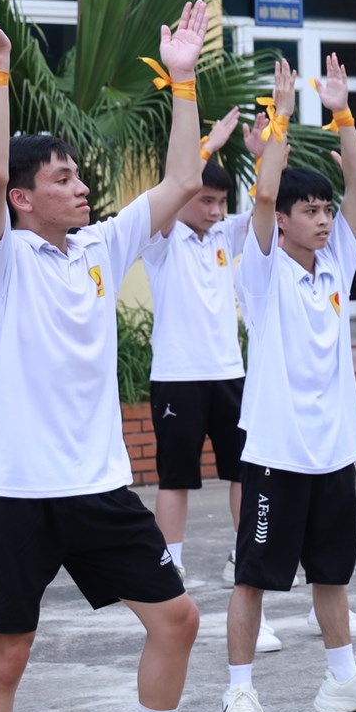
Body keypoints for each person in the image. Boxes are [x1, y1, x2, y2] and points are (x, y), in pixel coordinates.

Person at [0, 0, 217, 712]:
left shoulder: (101, 246)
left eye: (79, 176)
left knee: (176, 619)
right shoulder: (1, 256)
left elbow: (181, 185)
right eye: (61, 178)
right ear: (26, 199)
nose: (80, 184)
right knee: (8, 655)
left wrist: (183, 82)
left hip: (98, 485)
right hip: (16, 488)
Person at [219, 55, 356, 712]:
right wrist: (278, 113)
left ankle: (341, 678)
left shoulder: (336, 264)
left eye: (327, 209)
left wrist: (343, 111)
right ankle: (239, 694)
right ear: (288, 219)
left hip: (332, 448)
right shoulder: (262, 267)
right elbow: (265, 196)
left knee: (332, 574)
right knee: (254, 577)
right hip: (275, 449)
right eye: (313, 210)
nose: (326, 218)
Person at [140, 138, 252, 594]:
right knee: (176, 476)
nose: (215, 210)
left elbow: (267, 206)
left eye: (222, 201)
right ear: (186, 195)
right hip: (177, 376)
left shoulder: (226, 234)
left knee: (244, 470)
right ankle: (173, 565)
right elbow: (173, 188)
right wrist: (205, 148)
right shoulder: (161, 239)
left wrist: (267, 151)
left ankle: (244, 553)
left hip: (229, 373)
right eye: (206, 200)